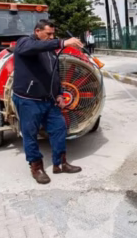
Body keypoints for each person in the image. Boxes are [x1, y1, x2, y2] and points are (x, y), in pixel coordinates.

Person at [13, 20, 84, 184]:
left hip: (49, 100)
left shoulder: (50, 51)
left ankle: (60, 163)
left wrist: (59, 94)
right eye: (49, 34)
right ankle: (36, 167)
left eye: (54, 34)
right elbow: (31, 48)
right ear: (37, 31)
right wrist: (62, 42)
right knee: (30, 134)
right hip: (29, 100)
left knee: (59, 128)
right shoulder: (25, 42)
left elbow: (55, 73)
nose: (52, 37)